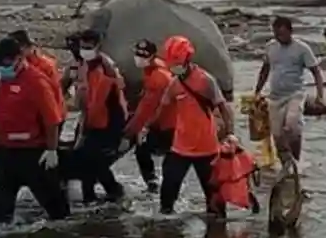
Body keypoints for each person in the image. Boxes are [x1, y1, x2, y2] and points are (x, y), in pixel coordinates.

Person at [144, 35, 235, 216]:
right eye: (171, 63)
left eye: (177, 62)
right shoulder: (174, 84)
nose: (174, 66)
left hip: (207, 148)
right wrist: (147, 127)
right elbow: (162, 108)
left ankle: (217, 237)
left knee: (215, 201)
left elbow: (223, 107)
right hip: (180, 147)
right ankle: (166, 233)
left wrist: (230, 133)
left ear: (187, 59)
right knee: (167, 194)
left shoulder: (205, 80)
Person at [0, 36, 70, 223]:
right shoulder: (6, 79)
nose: (3, 68)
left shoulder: (37, 82)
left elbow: (52, 119)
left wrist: (51, 149)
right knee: (0, 214)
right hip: (5, 152)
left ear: (19, 58)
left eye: (7, 64)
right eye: (0, 64)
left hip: (32, 153)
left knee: (57, 212)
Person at [253, 17, 323, 165]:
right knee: (277, 135)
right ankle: (286, 164)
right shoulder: (271, 47)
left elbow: (316, 71)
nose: (279, 37)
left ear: (290, 32)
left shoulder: (302, 48)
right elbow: (265, 69)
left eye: (282, 34)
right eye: (276, 34)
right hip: (275, 96)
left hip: (295, 94)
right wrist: (257, 91)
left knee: (291, 126)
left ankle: (296, 160)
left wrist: (320, 95)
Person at [72, 29, 127, 203]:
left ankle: (100, 196)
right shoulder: (86, 65)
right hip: (95, 121)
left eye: (88, 47)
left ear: (97, 46)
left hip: (108, 123)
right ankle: (106, 194)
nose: (84, 50)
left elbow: (98, 103)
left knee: (90, 161)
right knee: (92, 162)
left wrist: (84, 132)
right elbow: (86, 100)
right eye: (82, 47)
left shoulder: (105, 70)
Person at [120, 38, 176, 192]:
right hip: (168, 121)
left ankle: (154, 185)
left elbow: (145, 109)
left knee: (143, 150)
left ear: (151, 57)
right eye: (138, 54)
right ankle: (161, 184)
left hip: (166, 124)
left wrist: (128, 134)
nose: (139, 58)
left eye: (143, 55)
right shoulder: (157, 70)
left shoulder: (157, 78)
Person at [10, 29, 65, 134]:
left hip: (48, 116)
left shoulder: (45, 66)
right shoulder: (18, 64)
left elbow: (51, 97)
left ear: (25, 47)